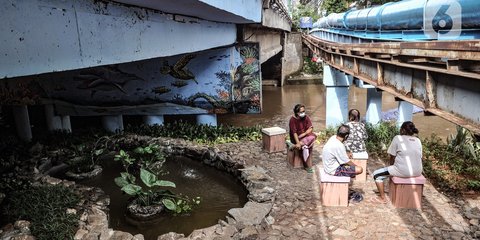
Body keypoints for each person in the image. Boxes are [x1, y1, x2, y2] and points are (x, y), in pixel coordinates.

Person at [371, 121, 423, 204]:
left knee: (376, 174)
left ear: (402, 130)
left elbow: (392, 156)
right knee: (391, 171)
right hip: (417, 171)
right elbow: (420, 157)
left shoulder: (397, 138)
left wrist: (391, 168)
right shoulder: (417, 140)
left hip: (403, 171)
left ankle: (382, 198)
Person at [288, 104, 317, 173]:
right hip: (296, 138)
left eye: (304, 111)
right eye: (301, 112)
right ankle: (306, 165)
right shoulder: (292, 120)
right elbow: (294, 133)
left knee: (314, 136)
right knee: (304, 147)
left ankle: (294, 146)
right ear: (297, 113)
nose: (303, 113)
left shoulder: (306, 117)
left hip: (304, 137)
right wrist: (298, 143)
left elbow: (311, 128)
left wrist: (304, 133)